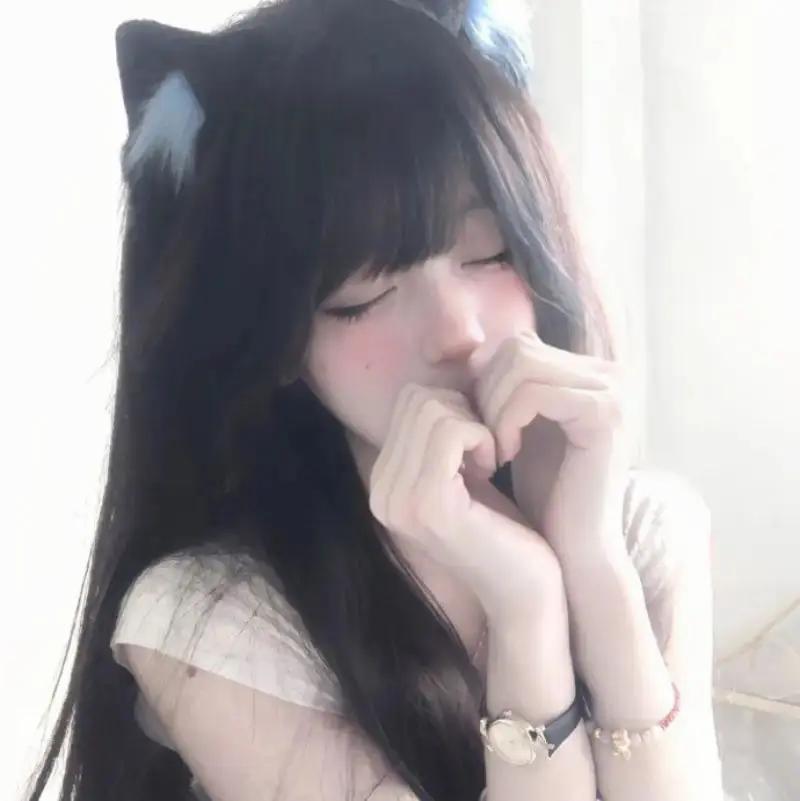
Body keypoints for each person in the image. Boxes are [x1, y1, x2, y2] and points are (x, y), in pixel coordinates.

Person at [21, 1, 725, 800]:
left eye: (489, 251)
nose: (458, 330)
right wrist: (526, 606)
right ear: (277, 342)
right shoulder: (214, 627)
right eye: (363, 293)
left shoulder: (643, 534)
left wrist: (592, 568)